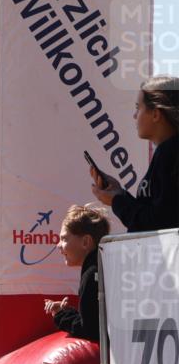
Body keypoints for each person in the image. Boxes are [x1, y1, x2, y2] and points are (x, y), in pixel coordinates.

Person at [90, 76, 178, 232]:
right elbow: (153, 214)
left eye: (138, 107)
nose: (135, 115)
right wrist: (120, 194)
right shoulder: (166, 152)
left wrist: (117, 201)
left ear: (156, 114)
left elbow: (159, 224)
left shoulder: (170, 153)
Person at [43, 205, 111, 342]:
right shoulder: (105, 266)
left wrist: (61, 315)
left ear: (85, 242)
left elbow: (90, 330)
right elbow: (95, 320)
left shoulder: (92, 274)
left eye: (64, 239)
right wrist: (66, 311)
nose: (58, 245)